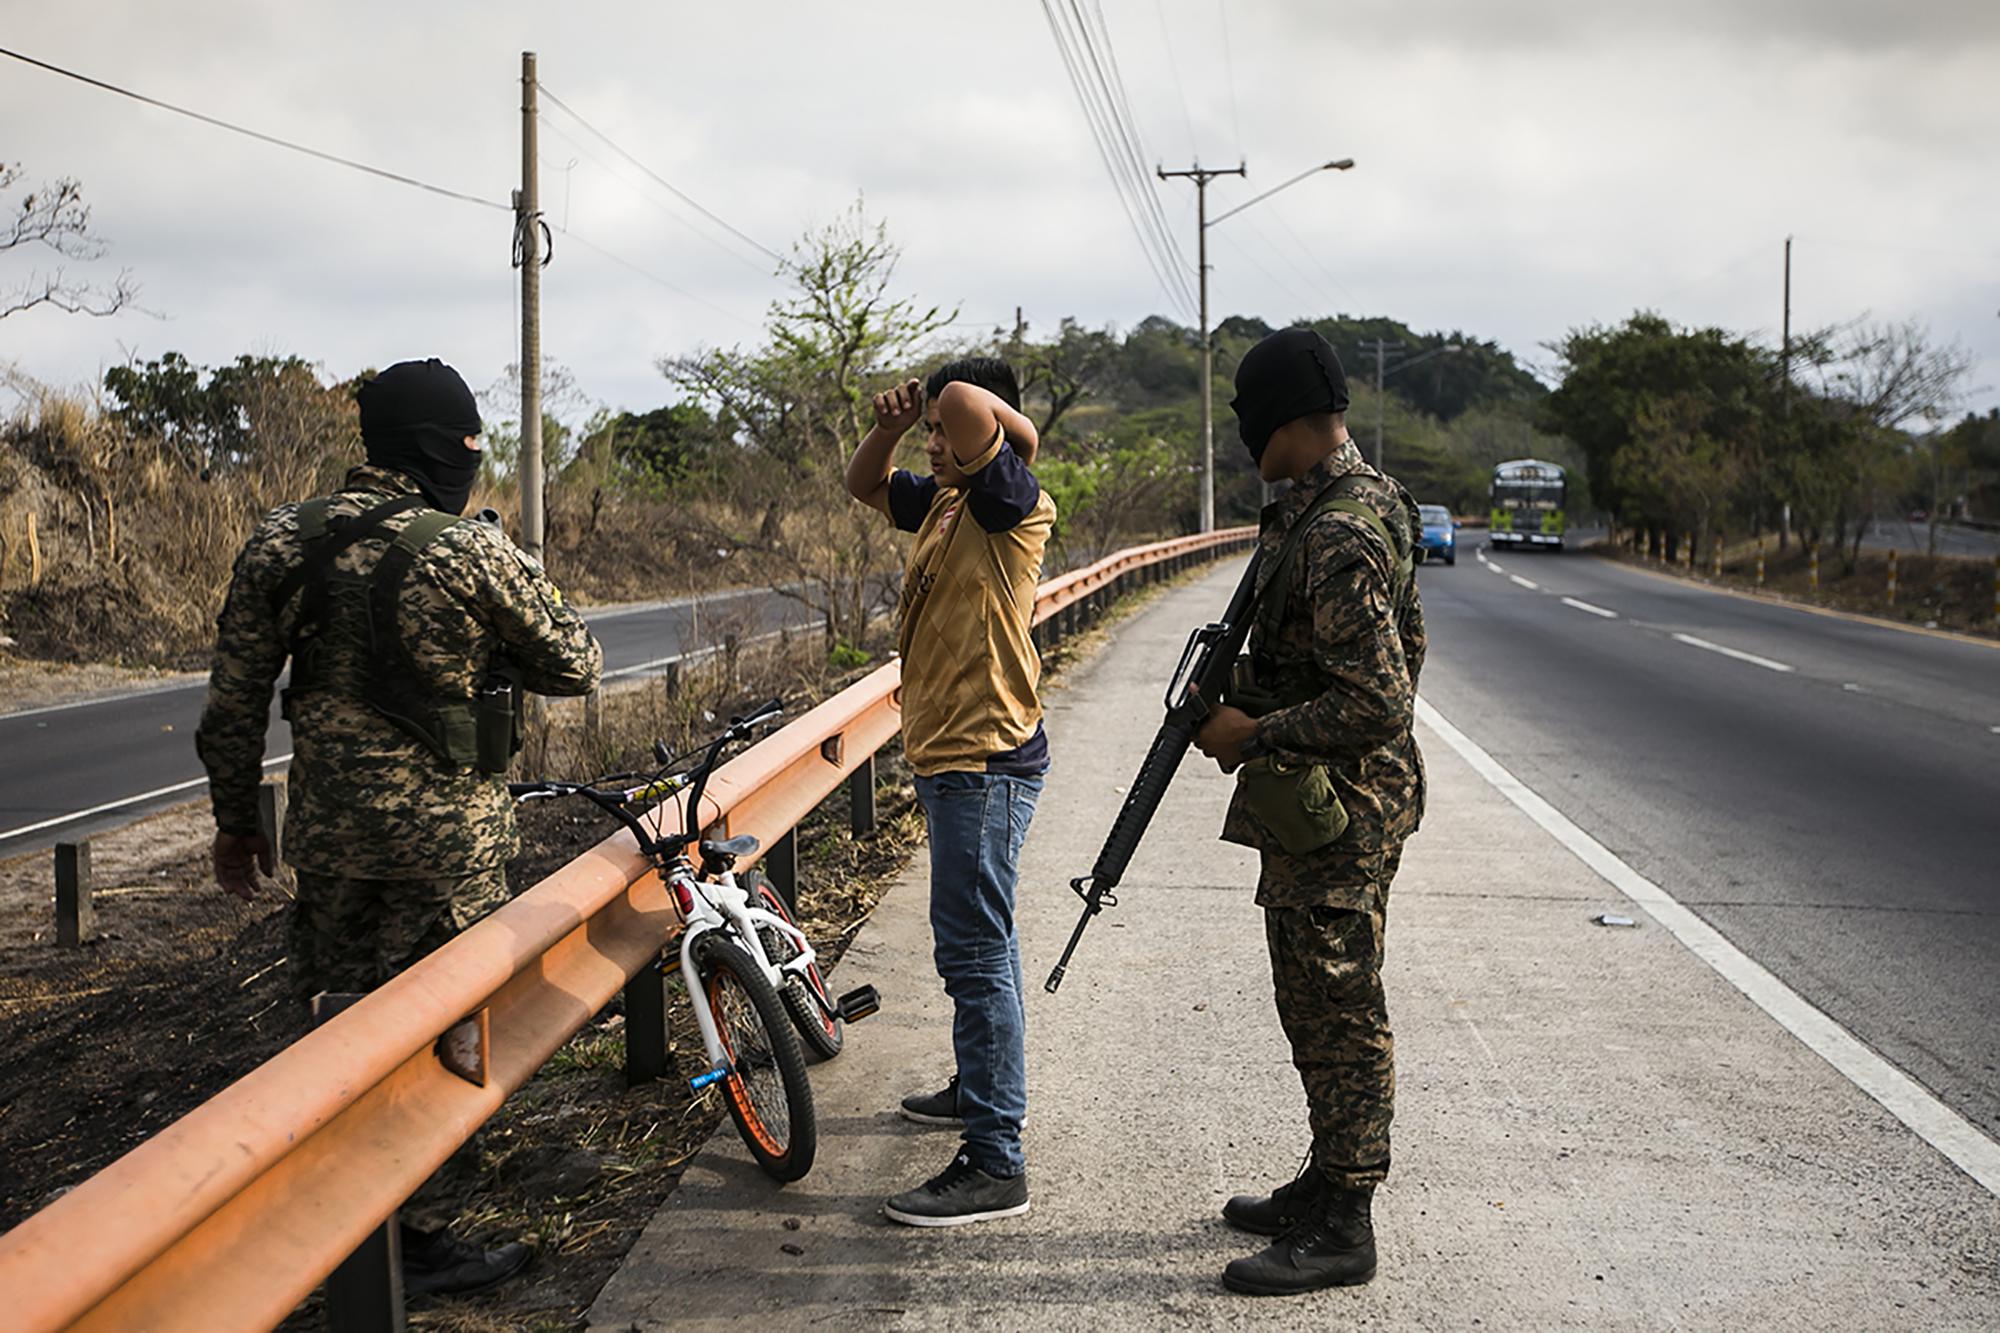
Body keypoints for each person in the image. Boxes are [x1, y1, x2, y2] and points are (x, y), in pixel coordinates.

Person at [195, 357, 603, 1295]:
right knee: (445, 1035)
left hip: (330, 844)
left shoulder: (279, 540)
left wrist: (233, 823)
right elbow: (576, 660)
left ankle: (337, 1218)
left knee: (335, 1028)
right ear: (441, 447)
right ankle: (420, 1236)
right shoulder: (468, 550)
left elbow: (232, 706)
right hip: (447, 851)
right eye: (467, 442)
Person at [1190, 328, 1427, 1296]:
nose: (1243, 436)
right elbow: (1372, 652)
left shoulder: (1336, 529)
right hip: (1324, 804)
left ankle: (1346, 1223)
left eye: (1250, 418)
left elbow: (1378, 699)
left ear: (1285, 421)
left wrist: (1258, 732)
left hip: (1344, 808)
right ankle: (1325, 1180)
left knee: (1338, 1007)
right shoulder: (1330, 504)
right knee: (1308, 996)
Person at [844, 356, 1056, 1226]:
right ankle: (980, 1092)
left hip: (983, 757)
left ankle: (996, 1159)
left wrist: (954, 400)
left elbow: (972, 404)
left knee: (971, 951)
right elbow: (862, 481)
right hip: (949, 755)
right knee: (985, 943)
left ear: (984, 431)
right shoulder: (945, 501)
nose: (934, 439)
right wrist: (893, 423)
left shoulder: (1012, 496)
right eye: (928, 430)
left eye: (941, 429)